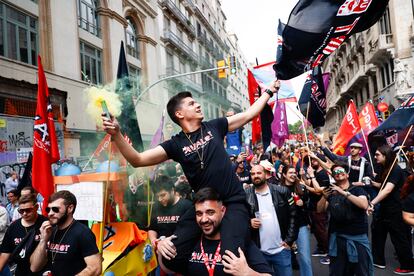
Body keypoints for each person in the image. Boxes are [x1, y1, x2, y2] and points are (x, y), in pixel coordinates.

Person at [102, 81, 280, 272]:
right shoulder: (175, 144)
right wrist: (117, 134)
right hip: (202, 207)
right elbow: (137, 159)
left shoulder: (215, 126)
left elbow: (249, 114)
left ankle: (243, 245)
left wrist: (268, 91)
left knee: (230, 261)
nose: (198, 105)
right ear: (179, 114)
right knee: (171, 256)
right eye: (191, 103)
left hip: (233, 203)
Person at [158, 187, 272, 275]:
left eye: (210, 212)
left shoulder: (237, 240)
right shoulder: (191, 241)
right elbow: (169, 269)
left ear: (222, 211)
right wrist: (161, 247)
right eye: (199, 214)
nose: (204, 219)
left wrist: (248, 273)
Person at [317, 163, 373, 276]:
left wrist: (343, 192)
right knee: (338, 272)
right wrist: (324, 196)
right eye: (335, 173)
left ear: (347, 174)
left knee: (361, 271)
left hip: (357, 238)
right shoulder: (332, 191)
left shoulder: (357, 189)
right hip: (338, 239)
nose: (338, 174)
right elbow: (320, 209)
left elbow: (363, 204)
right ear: (333, 177)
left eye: (340, 171)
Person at [30, 190, 101, 276]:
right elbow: (34, 267)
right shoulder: (50, 231)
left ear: (70, 208)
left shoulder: (83, 232)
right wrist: (43, 240)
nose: (50, 213)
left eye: (55, 209)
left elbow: (95, 268)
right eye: (48, 209)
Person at [368, 145, 414, 274]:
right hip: (386, 208)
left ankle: (408, 266)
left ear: (385, 156)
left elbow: (387, 190)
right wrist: (372, 183)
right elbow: (383, 186)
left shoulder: (395, 169)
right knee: (377, 231)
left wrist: (372, 202)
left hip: (395, 208)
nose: (375, 157)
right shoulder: (385, 169)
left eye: (377, 155)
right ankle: (378, 260)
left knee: (399, 237)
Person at [245, 164, 297, 275]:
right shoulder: (246, 195)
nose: (256, 176)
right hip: (259, 253)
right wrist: (249, 222)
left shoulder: (282, 191)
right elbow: (240, 218)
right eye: (253, 174)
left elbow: (293, 215)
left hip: (281, 250)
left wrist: (289, 240)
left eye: (259, 173)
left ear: (266, 175)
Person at [148, 176, 192, 276]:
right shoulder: (156, 207)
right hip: (161, 260)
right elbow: (152, 229)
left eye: (163, 195)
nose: (160, 199)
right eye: (157, 196)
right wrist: (155, 241)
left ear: (172, 190)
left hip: (181, 261)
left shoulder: (187, 206)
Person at [0, 194, 47, 275]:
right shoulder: (13, 227)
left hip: (43, 271)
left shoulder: (45, 224)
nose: (24, 213)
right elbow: (5, 252)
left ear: (36, 207)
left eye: (28, 210)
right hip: (21, 271)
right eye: (21, 211)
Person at [280, 166, 313, 276]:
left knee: (305, 257)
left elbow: (310, 206)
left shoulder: (301, 188)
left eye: (294, 172)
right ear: (284, 174)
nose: (293, 174)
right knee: (284, 258)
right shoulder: (278, 190)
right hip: (285, 228)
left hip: (301, 225)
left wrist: (303, 204)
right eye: (290, 172)